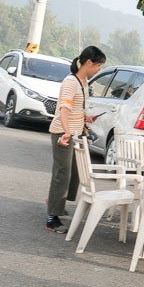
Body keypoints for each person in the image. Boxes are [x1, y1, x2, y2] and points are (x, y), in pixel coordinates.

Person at [45, 46, 106, 233]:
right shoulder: (71, 82)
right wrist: (66, 132)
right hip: (64, 132)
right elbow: (64, 108)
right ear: (88, 63)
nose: (99, 70)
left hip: (76, 132)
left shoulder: (83, 82)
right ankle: (51, 217)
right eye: (98, 66)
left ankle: (56, 202)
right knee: (62, 173)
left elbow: (76, 108)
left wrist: (85, 118)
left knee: (75, 173)